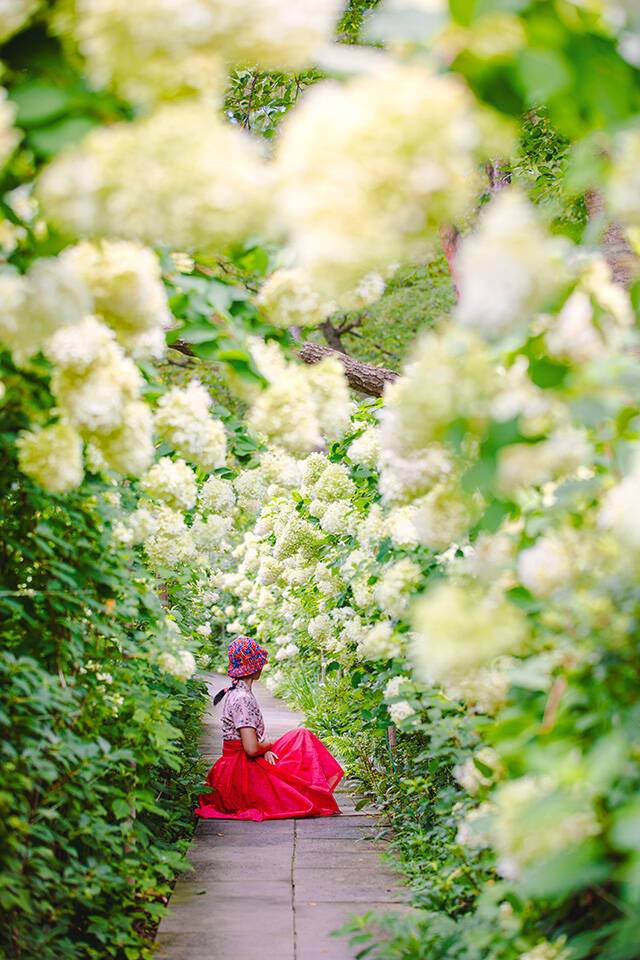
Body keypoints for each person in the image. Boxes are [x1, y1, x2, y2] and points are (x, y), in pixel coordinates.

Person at [195, 636, 344, 821]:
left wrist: (264, 747)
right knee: (302, 739)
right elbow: (251, 749)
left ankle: (313, 790)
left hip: (236, 764)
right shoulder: (242, 698)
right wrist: (268, 745)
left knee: (299, 738)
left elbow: (252, 739)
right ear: (256, 669)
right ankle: (315, 792)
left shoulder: (238, 693)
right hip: (241, 771)